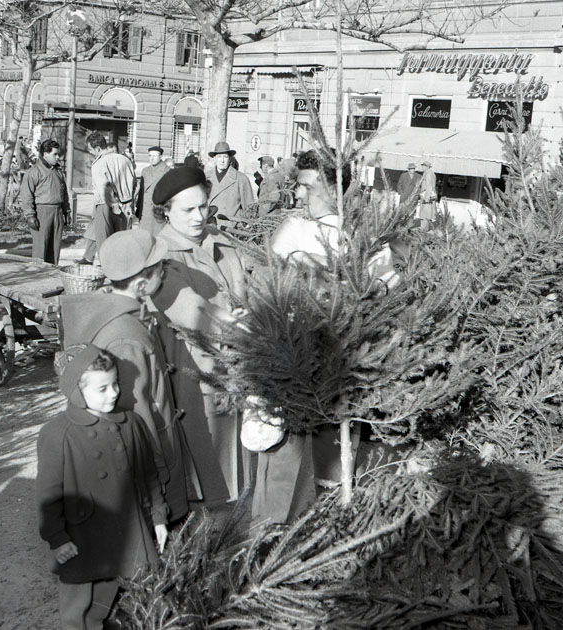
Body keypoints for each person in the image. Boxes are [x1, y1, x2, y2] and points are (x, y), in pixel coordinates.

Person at [252, 149, 404, 526]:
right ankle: (278, 528)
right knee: (286, 466)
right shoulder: (293, 231)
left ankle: (330, 522)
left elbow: (387, 292)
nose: (299, 194)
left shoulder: (365, 237)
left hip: (343, 370)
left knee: (334, 463)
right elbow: (266, 290)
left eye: (308, 186)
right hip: (292, 367)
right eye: (299, 186)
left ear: (335, 187)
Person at [61, 229, 200, 520]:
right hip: (150, 461)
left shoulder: (116, 312)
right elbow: (136, 411)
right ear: (140, 284)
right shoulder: (127, 337)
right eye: (160, 269)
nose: (165, 271)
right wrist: (158, 473)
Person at [36, 344, 168, 630]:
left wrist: (158, 517)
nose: (114, 393)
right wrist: (57, 538)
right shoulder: (58, 434)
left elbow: (149, 475)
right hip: (83, 537)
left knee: (130, 594)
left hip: (130, 530)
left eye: (116, 383)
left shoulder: (131, 423)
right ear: (76, 391)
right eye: (102, 389)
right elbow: (49, 495)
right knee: (79, 609)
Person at [150, 167, 251, 507]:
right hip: (196, 371)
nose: (199, 217)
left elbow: (248, 287)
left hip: (236, 364)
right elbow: (191, 309)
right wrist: (238, 326)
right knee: (209, 470)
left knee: (238, 461)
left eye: (203, 206)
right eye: (188, 209)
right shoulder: (161, 254)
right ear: (166, 211)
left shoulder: (220, 240)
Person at [76, 132, 135, 265]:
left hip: (106, 205)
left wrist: (113, 205)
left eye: (90, 149)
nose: (90, 152)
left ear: (98, 149)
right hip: (126, 206)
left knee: (104, 241)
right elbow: (134, 184)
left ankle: (106, 268)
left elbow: (104, 188)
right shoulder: (125, 160)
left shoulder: (99, 163)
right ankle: (119, 270)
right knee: (120, 240)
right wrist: (128, 202)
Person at [19, 138, 70, 265]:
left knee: (54, 247)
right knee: (41, 247)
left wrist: (66, 211)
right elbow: (26, 195)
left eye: (58, 154)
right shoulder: (34, 172)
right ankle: (38, 273)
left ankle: (52, 272)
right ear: (45, 154)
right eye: (55, 154)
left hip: (57, 212)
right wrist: (30, 215)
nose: (58, 157)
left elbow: (64, 192)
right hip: (42, 213)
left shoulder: (58, 171)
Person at [204, 141, 254, 228]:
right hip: (209, 227)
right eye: (219, 157)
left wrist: (244, 225)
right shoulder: (205, 177)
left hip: (230, 229)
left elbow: (250, 207)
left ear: (230, 159)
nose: (222, 160)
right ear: (214, 159)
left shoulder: (241, 179)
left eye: (225, 157)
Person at [137, 146, 170, 235]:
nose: (151, 158)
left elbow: (169, 194)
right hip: (145, 210)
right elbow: (141, 192)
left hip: (157, 210)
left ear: (161, 156)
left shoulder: (166, 171)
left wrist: (167, 210)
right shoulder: (145, 171)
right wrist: (138, 209)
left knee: (157, 236)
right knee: (144, 236)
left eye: (154, 156)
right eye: (150, 155)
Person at [417, 160, 438, 230]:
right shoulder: (430, 173)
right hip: (428, 195)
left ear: (427, 167)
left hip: (426, 195)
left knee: (425, 212)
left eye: (424, 166)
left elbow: (429, 186)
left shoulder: (428, 174)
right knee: (428, 212)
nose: (422, 167)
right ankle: (425, 227)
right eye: (422, 165)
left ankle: (423, 227)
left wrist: (427, 198)